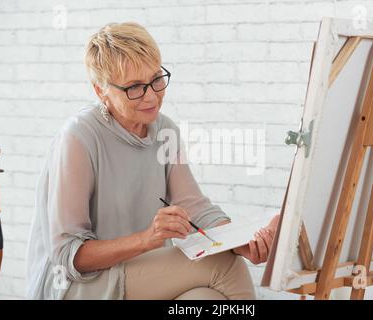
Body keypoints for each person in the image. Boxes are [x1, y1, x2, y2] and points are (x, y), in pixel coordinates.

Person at [26, 22, 279, 300]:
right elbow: (68, 256)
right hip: (80, 284)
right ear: (101, 91)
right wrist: (146, 239)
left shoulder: (165, 130)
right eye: (135, 87)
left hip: (139, 274)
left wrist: (239, 243)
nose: (151, 96)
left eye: (156, 78)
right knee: (224, 266)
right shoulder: (78, 138)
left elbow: (196, 208)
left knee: (206, 300)